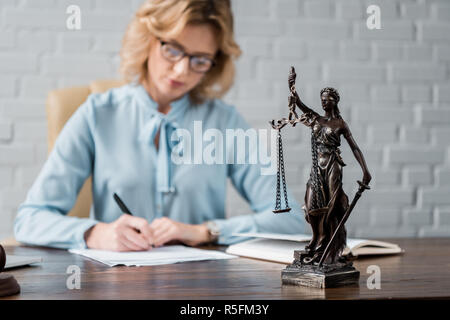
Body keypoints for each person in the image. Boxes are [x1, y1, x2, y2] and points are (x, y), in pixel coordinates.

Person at [14, 0, 305, 251]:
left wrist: (207, 231)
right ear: (148, 38)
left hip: (202, 289)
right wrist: (94, 233)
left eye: (200, 60)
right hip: (117, 286)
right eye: (173, 50)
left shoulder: (224, 122)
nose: (182, 70)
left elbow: (291, 221)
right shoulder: (97, 114)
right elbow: (30, 219)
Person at [273, 70, 371, 264]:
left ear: (335, 101)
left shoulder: (340, 124)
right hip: (316, 168)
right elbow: (298, 103)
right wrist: (291, 85)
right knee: (310, 205)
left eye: (327, 99)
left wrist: (365, 170)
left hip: (333, 165)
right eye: (322, 99)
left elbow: (355, 148)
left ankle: (325, 241)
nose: (324, 102)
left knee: (332, 205)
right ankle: (316, 238)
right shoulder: (316, 119)